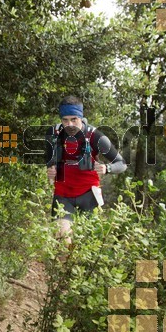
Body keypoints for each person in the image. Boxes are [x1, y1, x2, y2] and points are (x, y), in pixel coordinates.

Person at [45, 96, 127, 241]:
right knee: (62, 238)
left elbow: (122, 164)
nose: (69, 124)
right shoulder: (53, 134)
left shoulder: (95, 136)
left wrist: (107, 168)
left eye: (74, 119)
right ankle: (63, 263)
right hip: (63, 194)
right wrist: (51, 169)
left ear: (81, 117)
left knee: (88, 243)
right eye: (65, 120)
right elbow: (49, 160)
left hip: (89, 194)